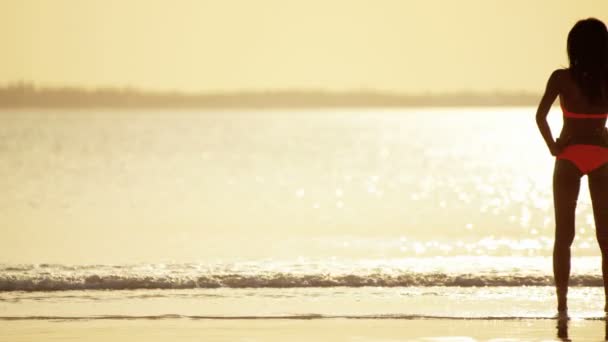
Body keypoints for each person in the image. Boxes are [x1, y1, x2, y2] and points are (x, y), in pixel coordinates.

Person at [536, 17, 608, 315]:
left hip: (569, 156)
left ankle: (562, 304)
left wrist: (554, 145)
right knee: (606, 238)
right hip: (603, 157)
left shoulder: (561, 78)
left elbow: (540, 116)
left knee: (564, 236)